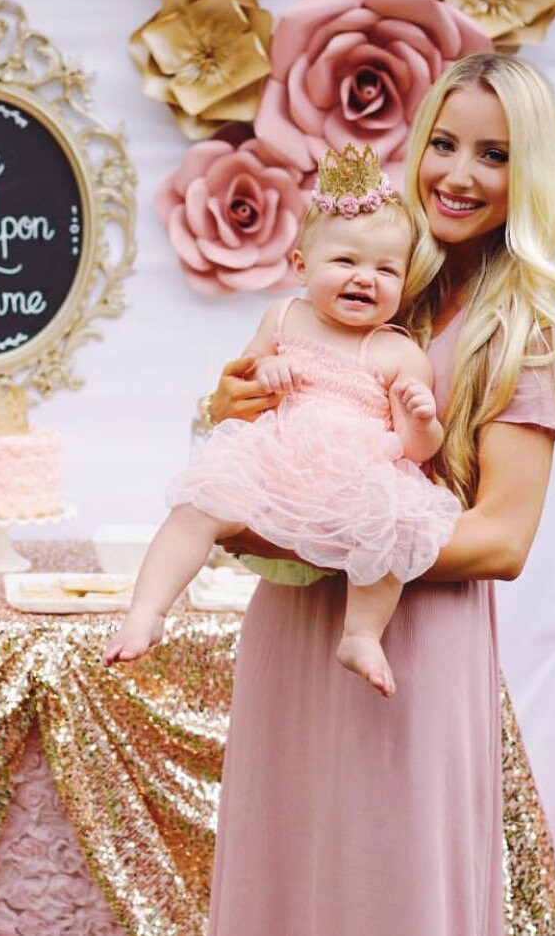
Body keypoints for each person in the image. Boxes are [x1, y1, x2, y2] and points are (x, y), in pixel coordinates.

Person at [125, 52, 555, 936]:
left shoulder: (521, 330)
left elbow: (502, 542)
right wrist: (228, 407)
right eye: (442, 142)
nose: (456, 173)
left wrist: (303, 538)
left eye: (493, 154)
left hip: (406, 646)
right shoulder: (367, 273)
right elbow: (274, 433)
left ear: (531, 175)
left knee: (388, 887)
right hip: (292, 628)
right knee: (286, 868)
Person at [103, 144, 461, 697]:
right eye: (345, 262)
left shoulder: (397, 352)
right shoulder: (284, 316)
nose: (365, 278)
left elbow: (416, 451)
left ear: (405, 280)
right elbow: (242, 381)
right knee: (198, 505)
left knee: (392, 523)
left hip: (353, 474)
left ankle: (362, 634)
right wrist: (267, 369)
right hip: (277, 458)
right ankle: (147, 609)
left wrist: (420, 418)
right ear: (301, 265)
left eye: (385, 269)